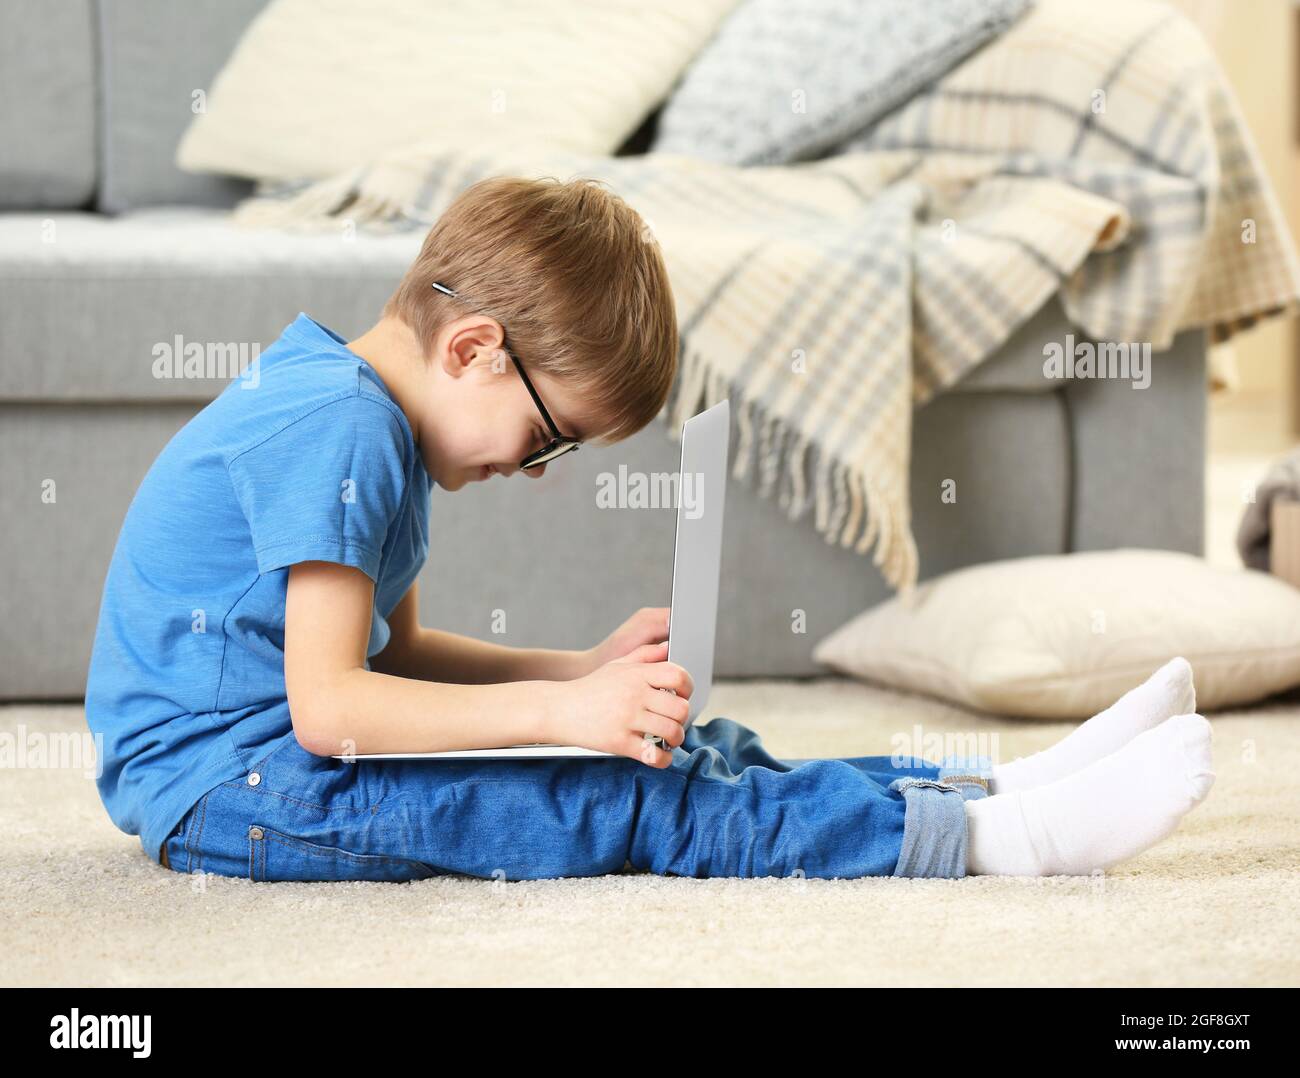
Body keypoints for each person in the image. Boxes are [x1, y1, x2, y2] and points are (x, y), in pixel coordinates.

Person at [85, 176, 1214, 884]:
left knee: (686, 750)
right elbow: (332, 709)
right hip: (233, 787)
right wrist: (560, 711)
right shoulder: (343, 429)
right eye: (545, 438)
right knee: (628, 793)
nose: (532, 473)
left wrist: (577, 676)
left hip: (269, 755)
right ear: (475, 348)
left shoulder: (362, 414)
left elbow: (399, 659)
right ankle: (996, 848)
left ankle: (992, 790)